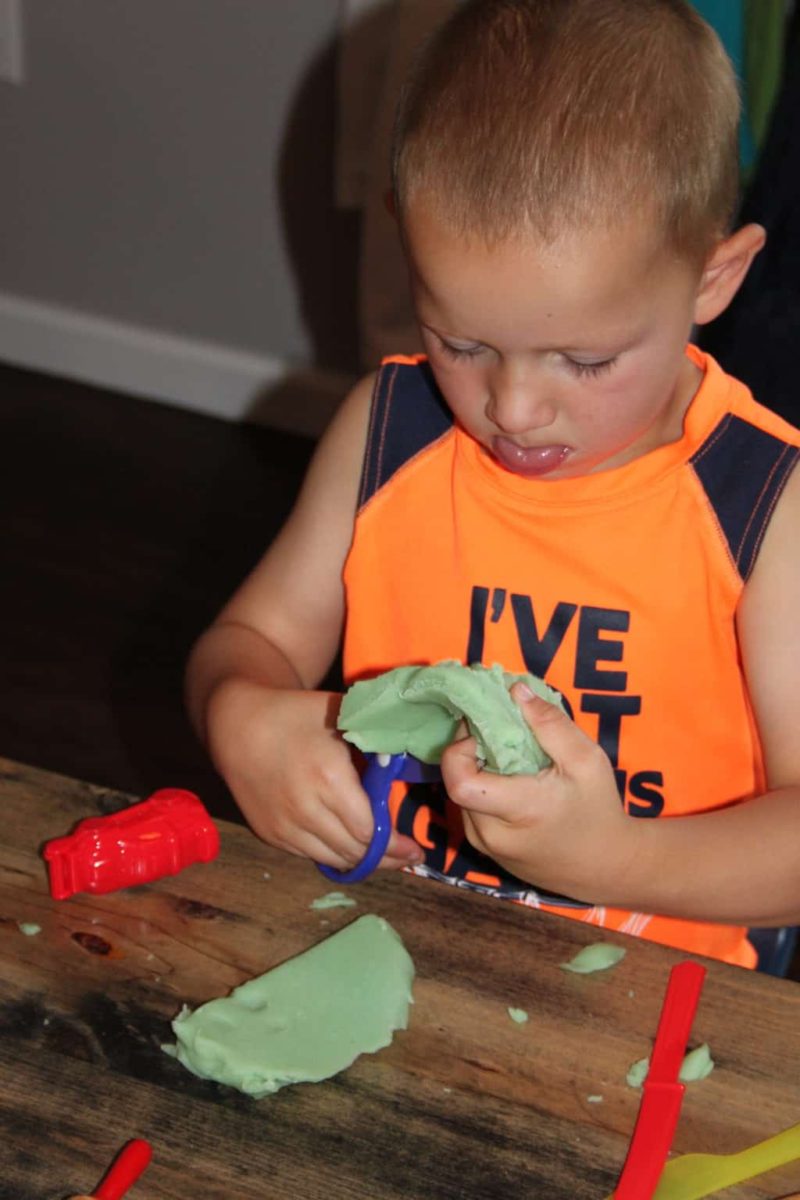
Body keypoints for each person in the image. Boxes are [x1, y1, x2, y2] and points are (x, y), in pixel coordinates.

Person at [186, 0, 800, 968]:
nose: (510, 408)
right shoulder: (388, 433)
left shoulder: (761, 505)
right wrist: (241, 720)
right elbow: (247, 641)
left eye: (583, 361)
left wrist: (612, 856)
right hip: (388, 941)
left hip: (663, 995)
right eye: (459, 342)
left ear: (711, 282)